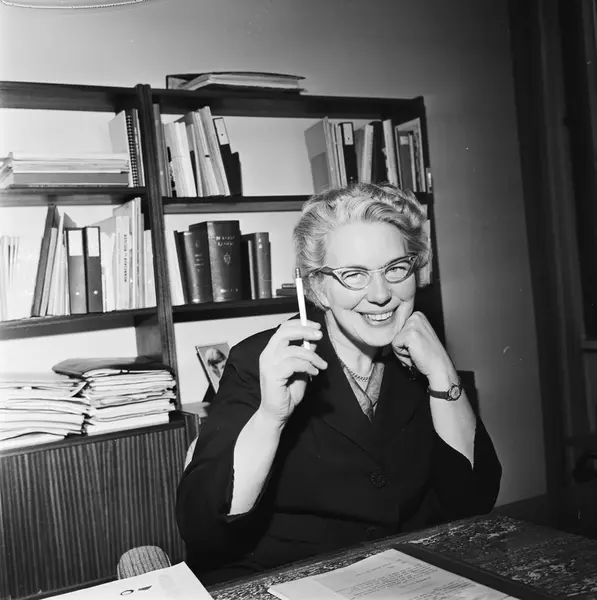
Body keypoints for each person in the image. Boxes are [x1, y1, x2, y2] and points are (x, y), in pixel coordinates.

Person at [176, 183, 501, 585]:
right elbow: (202, 529)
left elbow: (475, 500)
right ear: (318, 288)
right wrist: (271, 417)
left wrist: (442, 373)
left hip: (406, 578)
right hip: (287, 582)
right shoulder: (261, 360)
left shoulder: (422, 356)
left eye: (395, 269)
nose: (381, 294)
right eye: (354, 275)